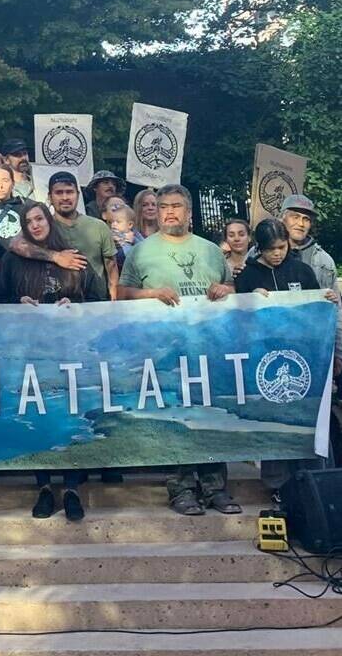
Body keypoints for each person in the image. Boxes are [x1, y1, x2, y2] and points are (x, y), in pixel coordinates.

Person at [118, 184, 238, 516]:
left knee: (212, 414)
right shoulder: (141, 252)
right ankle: (181, 487)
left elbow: (233, 289)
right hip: (164, 350)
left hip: (209, 346)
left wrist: (224, 288)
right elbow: (122, 293)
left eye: (176, 206)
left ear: (188, 212)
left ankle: (215, 486)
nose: (170, 211)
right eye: (164, 205)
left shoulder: (211, 251)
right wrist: (151, 293)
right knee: (176, 416)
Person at [0, 202, 105, 522]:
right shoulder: (12, 261)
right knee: (39, 416)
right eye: (28, 221)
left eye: (39, 218)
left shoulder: (75, 257)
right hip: (30, 352)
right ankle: (44, 486)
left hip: (70, 351)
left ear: (49, 220)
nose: (35, 225)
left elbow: (101, 301)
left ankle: (72, 487)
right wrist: (17, 303)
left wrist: (74, 304)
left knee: (71, 415)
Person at [234, 219, 340, 494]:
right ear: (260, 248)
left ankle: (317, 481)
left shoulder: (302, 270)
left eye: (282, 247)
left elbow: (318, 311)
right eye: (271, 249)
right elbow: (238, 319)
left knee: (310, 418)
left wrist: (326, 299)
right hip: (264, 358)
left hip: (305, 357)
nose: (278, 253)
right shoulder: (248, 276)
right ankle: (277, 485)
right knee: (275, 420)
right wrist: (249, 299)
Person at [7, 172, 116, 300]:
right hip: (63, 301)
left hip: (97, 301)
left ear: (78, 195)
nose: (65, 197)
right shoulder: (44, 227)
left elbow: (111, 265)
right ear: (50, 197)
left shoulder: (99, 226)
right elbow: (16, 244)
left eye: (69, 192)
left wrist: (114, 297)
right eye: (59, 193)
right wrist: (56, 257)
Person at [279, 195, 338, 291]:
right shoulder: (261, 252)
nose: (301, 224)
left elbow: (335, 303)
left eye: (306, 219)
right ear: (282, 218)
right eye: (295, 217)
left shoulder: (324, 261)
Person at [107, 202, 139, 269]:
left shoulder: (135, 234)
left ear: (130, 225)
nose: (114, 224)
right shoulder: (111, 234)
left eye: (118, 222)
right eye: (112, 222)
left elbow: (144, 245)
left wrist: (133, 240)